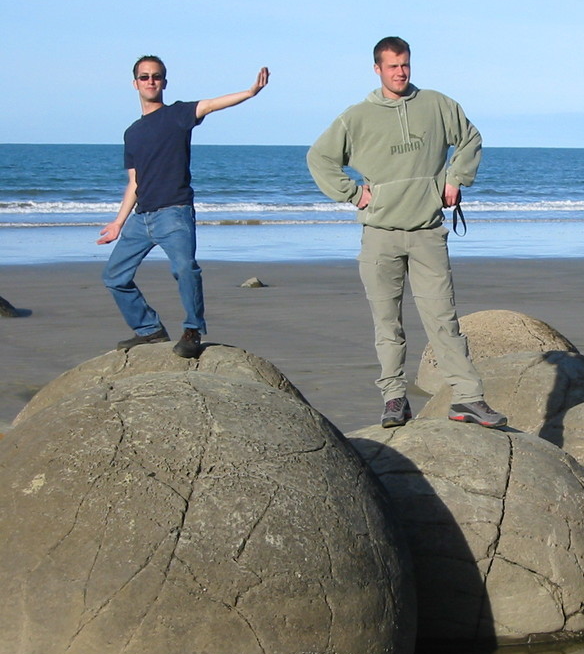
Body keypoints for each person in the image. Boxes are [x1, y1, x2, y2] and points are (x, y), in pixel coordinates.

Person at [306, 36, 507, 430]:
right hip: (380, 234)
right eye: (392, 66)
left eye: (405, 65)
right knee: (387, 322)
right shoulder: (357, 116)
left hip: (427, 231)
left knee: (443, 320)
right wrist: (353, 193)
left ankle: (467, 398)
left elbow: (470, 139)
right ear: (377, 69)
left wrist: (455, 178)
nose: (400, 73)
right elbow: (320, 158)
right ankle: (394, 399)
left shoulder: (436, 104)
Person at [99, 56, 270, 358]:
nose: (150, 81)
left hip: (174, 213)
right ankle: (149, 330)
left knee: (185, 269)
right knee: (114, 276)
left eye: (156, 76)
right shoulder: (132, 133)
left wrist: (250, 92)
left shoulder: (177, 115)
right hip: (142, 219)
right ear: (134, 83)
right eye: (144, 77)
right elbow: (134, 183)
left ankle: (193, 330)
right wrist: (117, 222)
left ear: (164, 81)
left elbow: (212, 104)